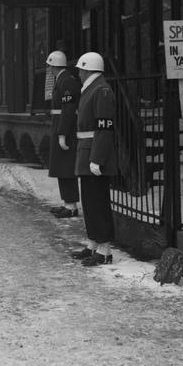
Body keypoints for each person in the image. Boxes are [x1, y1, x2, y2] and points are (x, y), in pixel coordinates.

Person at [70, 51, 117, 266]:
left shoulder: (102, 90)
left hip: (94, 154)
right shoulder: (91, 89)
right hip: (86, 151)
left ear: (88, 69)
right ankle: (93, 243)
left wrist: (97, 158)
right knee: (89, 201)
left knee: (98, 202)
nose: (79, 73)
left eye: (81, 69)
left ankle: (105, 249)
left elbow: (104, 128)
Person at [46, 51, 81, 218]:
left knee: (66, 167)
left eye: (50, 66)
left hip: (64, 127)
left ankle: (72, 206)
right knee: (61, 167)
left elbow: (68, 109)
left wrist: (62, 134)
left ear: (54, 66)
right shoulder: (62, 79)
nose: (49, 69)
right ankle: (67, 202)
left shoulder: (67, 81)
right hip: (59, 124)